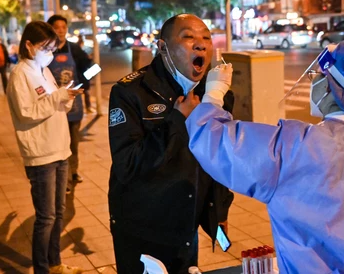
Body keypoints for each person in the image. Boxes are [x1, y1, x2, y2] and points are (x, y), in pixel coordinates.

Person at [177, 37, 344, 273]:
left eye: (318, 76)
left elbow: (217, 143)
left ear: (330, 88)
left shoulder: (294, 146)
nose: (314, 82)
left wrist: (213, 95)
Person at [108, 14, 234, 274]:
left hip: (187, 223)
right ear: (162, 46)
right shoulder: (129, 92)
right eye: (188, 37)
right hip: (143, 228)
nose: (200, 45)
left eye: (206, 38)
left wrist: (219, 210)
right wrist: (177, 119)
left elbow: (219, 158)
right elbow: (128, 165)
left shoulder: (215, 95)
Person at [6, 21, 84, 274]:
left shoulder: (44, 70)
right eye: (44, 46)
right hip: (41, 155)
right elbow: (27, 112)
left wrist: (66, 97)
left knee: (58, 212)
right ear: (28, 45)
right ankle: (43, 269)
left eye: (51, 46)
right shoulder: (20, 75)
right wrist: (58, 98)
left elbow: (55, 104)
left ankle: (55, 263)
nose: (49, 51)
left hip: (60, 149)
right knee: (46, 217)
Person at [47, 15, 92, 192]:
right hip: (54, 107)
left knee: (73, 142)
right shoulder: (46, 51)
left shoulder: (74, 49)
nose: (60, 30)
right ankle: (61, 177)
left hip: (74, 107)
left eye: (63, 27)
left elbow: (92, 67)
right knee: (57, 144)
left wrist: (84, 84)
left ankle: (73, 172)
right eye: (56, 27)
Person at [77, 37, 94, 114]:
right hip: (82, 76)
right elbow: (85, 64)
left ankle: (85, 108)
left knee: (82, 93)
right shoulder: (81, 53)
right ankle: (87, 108)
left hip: (80, 76)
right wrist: (89, 59)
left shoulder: (79, 53)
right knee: (84, 93)